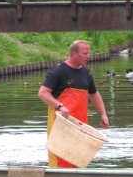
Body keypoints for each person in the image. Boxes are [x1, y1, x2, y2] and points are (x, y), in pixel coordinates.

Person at [38, 40, 109, 168]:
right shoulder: (58, 72)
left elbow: (94, 94)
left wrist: (103, 114)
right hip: (60, 125)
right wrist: (59, 106)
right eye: (85, 53)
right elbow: (43, 93)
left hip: (80, 126)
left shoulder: (86, 73)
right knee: (60, 160)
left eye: (88, 53)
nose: (88, 56)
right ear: (74, 53)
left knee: (78, 160)